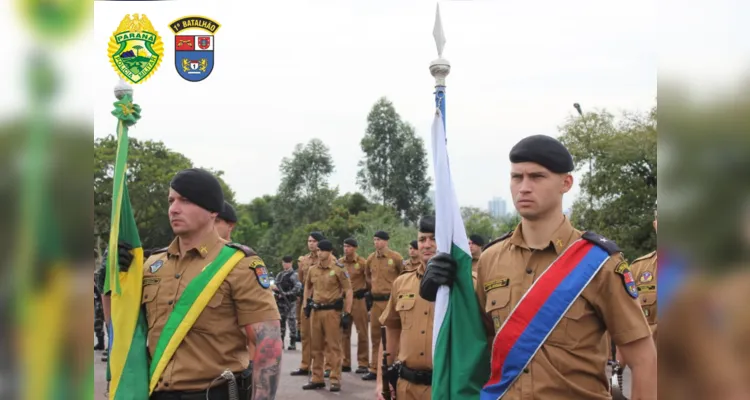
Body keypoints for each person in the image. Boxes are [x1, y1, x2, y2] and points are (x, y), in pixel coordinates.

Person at [420, 135, 657, 399]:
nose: (524, 187)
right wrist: (444, 294)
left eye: (537, 177)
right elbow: (475, 344)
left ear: (565, 183)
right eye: (516, 177)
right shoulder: (491, 259)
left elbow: (643, 358)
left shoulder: (600, 262)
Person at [116, 168, 282, 400]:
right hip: (156, 393)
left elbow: (268, 342)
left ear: (212, 210)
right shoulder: (152, 264)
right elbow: (120, 325)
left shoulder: (239, 264)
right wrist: (115, 276)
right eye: (171, 200)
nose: (174, 209)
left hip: (212, 394)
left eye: (185, 200)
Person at [376, 216, 437, 400]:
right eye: (422, 239)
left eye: (433, 238)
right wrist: (381, 382)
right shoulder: (402, 283)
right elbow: (391, 332)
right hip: (406, 388)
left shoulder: (466, 284)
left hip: (445, 387)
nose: (427, 245)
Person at [301, 240, 353, 392]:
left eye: (322, 250)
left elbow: (348, 290)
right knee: (315, 346)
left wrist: (347, 313)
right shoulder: (313, 269)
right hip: (316, 311)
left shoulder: (338, 269)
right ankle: (317, 378)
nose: (319, 253)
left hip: (332, 312)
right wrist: (306, 305)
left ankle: (335, 379)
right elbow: (307, 288)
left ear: (329, 251)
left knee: (333, 347)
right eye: (317, 251)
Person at [362, 231, 404, 381]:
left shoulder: (396, 258)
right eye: (374, 240)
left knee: (393, 334)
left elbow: (403, 275)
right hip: (376, 301)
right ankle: (374, 368)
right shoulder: (370, 259)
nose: (376, 243)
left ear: (386, 241)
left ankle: (393, 365)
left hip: (390, 301)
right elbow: (367, 276)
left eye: (379, 240)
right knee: (375, 336)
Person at [291, 231, 325, 376]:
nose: (311, 243)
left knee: (321, 336)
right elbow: (301, 280)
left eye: (314, 241)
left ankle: (324, 367)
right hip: (307, 300)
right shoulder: (303, 260)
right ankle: (305, 365)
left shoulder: (327, 258)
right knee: (305, 335)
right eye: (309, 241)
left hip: (321, 300)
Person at [338, 237, 370, 374]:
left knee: (361, 331)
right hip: (344, 300)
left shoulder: (363, 263)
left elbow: (369, 279)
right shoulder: (339, 263)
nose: (346, 249)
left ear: (355, 248)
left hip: (358, 299)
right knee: (344, 332)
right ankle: (345, 362)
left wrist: (367, 292)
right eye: (345, 246)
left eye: (349, 246)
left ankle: (363, 363)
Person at [275, 255, 301, 350]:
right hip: (281, 302)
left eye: (287, 263)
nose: (285, 264)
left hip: (290, 301)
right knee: (281, 321)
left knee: (291, 321)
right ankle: (281, 342)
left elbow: (297, 287)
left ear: (291, 263)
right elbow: (276, 285)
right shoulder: (280, 275)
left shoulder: (294, 275)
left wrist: (287, 294)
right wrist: (277, 291)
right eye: (283, 263)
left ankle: (292, 342)